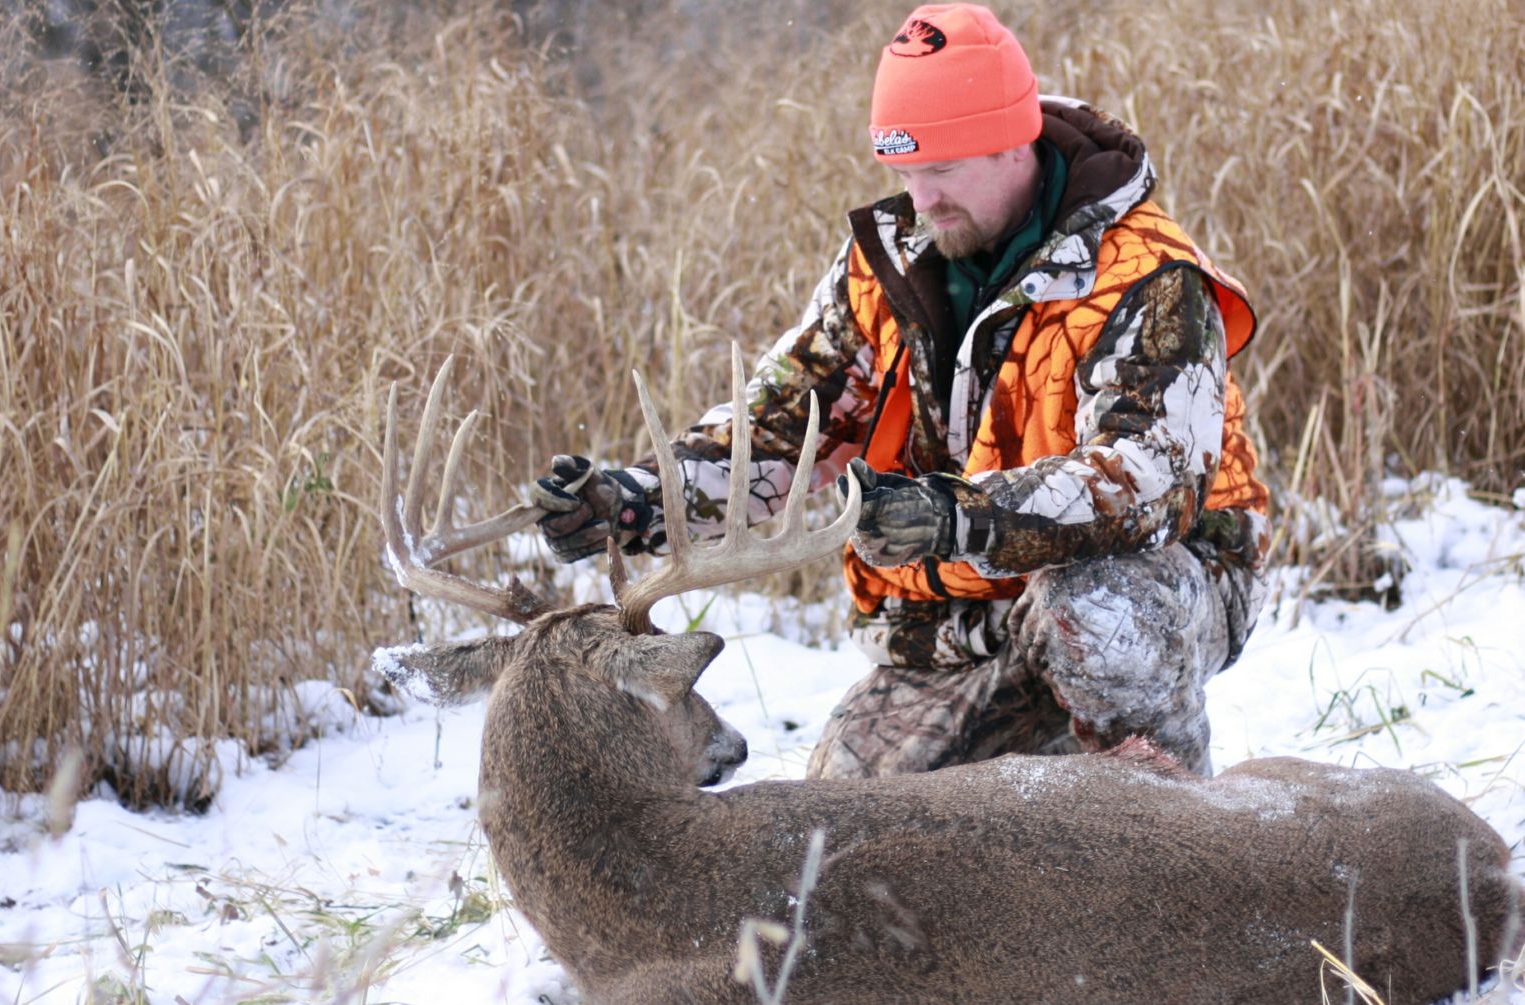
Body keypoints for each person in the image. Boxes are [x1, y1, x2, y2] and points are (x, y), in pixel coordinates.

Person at [530, 2, 1269, 779]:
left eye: (943, 169)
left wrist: (957, 516)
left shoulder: (1143, 275)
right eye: (904, 172)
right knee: (845, 827)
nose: (921, 201)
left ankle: (1175, 830)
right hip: (961, 612)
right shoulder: (889, 264)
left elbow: (1146, 483)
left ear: (1013, 140)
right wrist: (638, 498)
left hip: (1155, 579)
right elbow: (782, 428)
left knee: (1097, 615)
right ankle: (1043, 747)